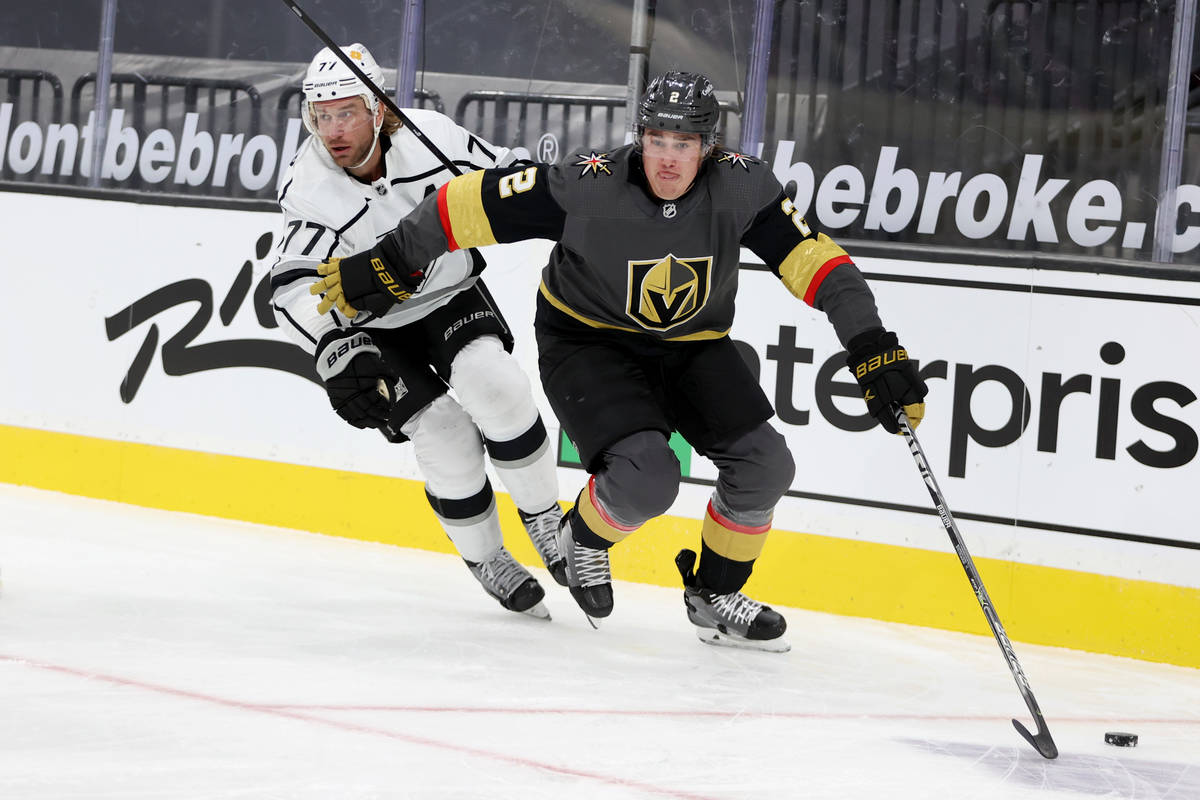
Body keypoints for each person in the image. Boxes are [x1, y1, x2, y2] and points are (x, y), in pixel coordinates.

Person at [307, 71, 928, 651]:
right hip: (588, 341)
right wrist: (392, 260)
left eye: (683, 143)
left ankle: (713, 593)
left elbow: (819, 264)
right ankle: (583, 537)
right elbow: (464, 204)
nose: (666, 157)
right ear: (640, 136)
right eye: (655, 138)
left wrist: (871, 345)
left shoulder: (744, 186)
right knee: (647, 476)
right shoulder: (590, 184)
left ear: (709, 147)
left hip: (694, 345)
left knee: (767, 467)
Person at [270, 43, 567, 620]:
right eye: (321, 114)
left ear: (379, 109)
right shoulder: (309, 187)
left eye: (346, 112)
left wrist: (536, 183)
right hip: (373, 328)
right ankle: (487, 558)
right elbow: (292, 285)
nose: (332, 129)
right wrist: (335, 347)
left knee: (497, 386)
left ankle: (546, 519)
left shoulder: (433, 137)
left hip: (448, 295)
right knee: (446, 436)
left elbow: (502, 173)